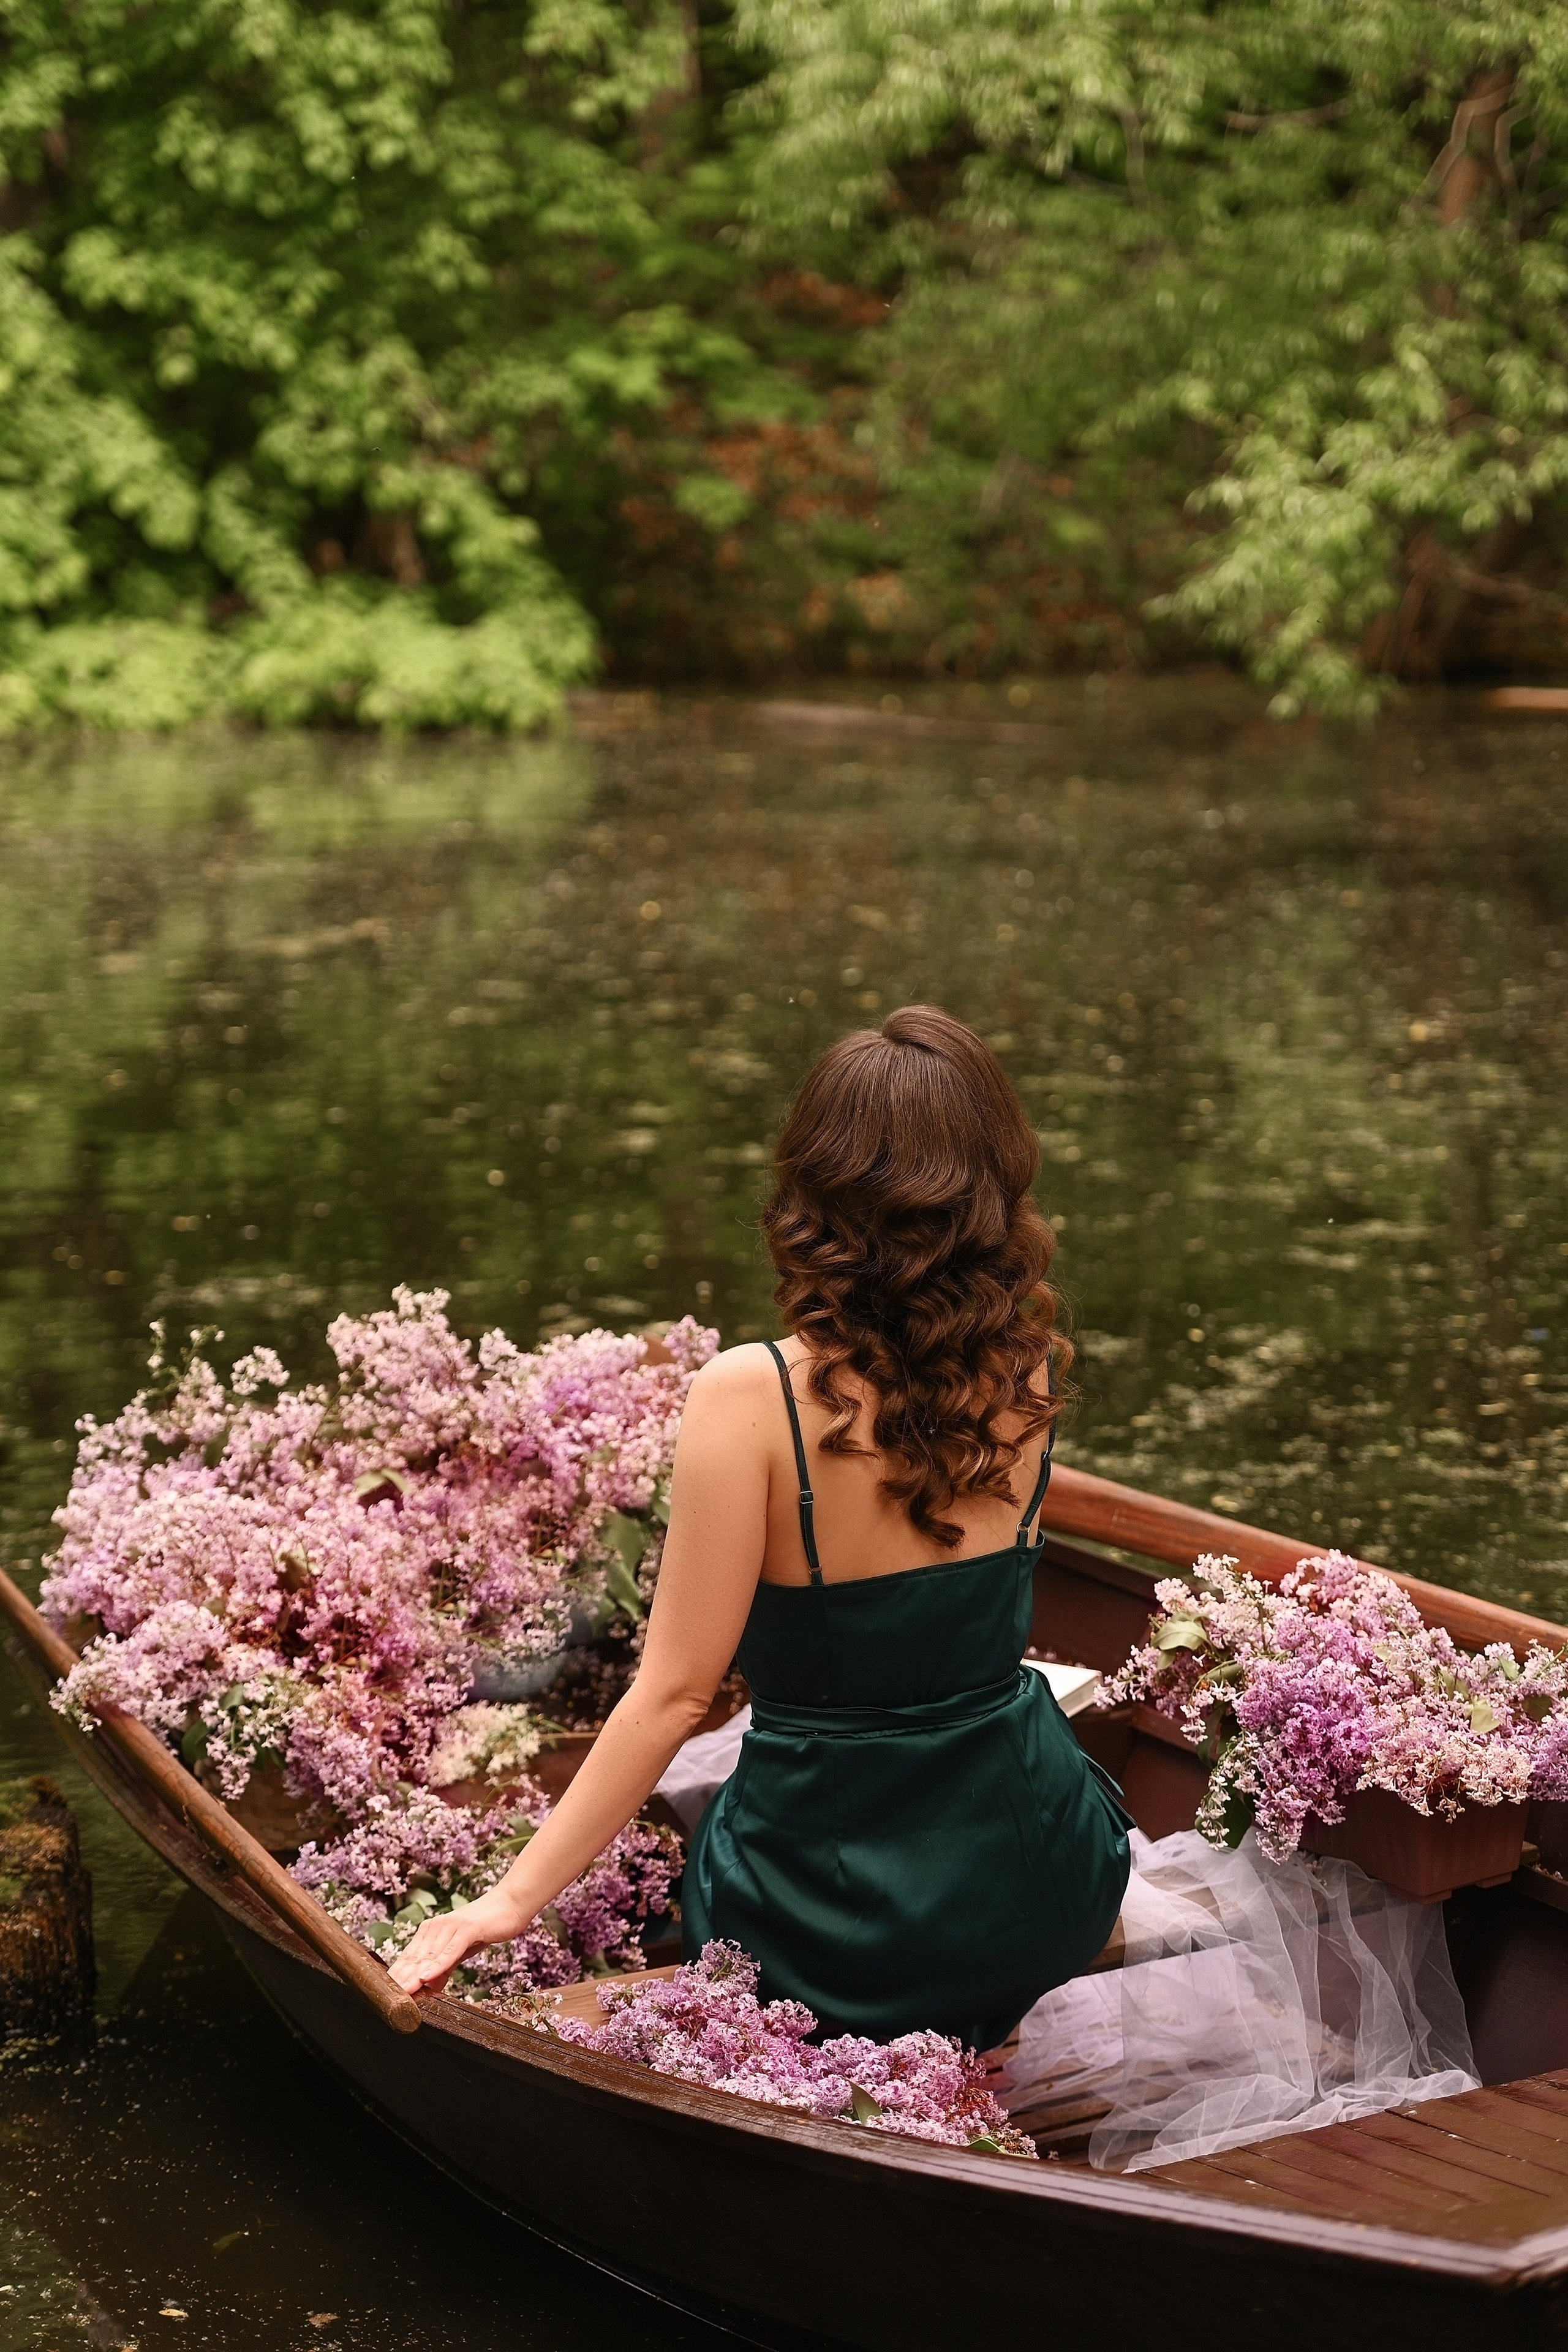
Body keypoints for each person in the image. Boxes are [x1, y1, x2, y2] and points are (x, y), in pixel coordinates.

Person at [390, 1006, 1132, 2046]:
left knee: (702, 1853)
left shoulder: (750, 1397)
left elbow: (676, 1696)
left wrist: (506, 1904)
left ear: (815, 1196)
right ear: (995, 1193)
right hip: (1045, 1884)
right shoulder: (1029, 1370)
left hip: (832, 1934)